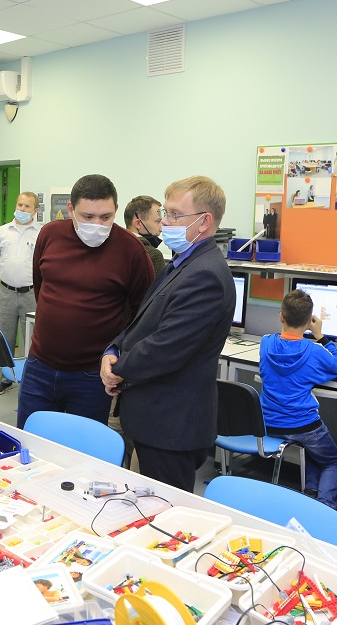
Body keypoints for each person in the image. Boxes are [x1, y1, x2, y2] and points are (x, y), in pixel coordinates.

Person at [101, 176, 234, 492]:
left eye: (175, 215)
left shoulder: (206, 275)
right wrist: (113, 349)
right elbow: (143, 322)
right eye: (165, 213)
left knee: (164, 512)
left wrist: (117, 368)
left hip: (172, 425)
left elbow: (165, 347)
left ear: (204, 221)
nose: (164, 222)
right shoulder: (183, 263)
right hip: (154, 419)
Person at [17, 174, 154, 429]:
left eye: (105, 217)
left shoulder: (131, 250)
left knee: (82, 450)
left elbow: (145, 314)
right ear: (71, 209)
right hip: (40, 367)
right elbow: (40, 286)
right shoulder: (50, 235)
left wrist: (118, 355)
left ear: (116, 209)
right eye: (88, 217)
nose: (97, 225)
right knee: (31, 441)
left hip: (92, 375)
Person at [258, 290, 337, 509]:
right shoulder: (314, 351)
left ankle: (310, 493)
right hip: (303, 427)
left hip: (268, 423)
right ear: (309, 322)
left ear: (281, 316)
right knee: (334, 462)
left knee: (314, 451)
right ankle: (325, 508)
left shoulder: (265, 343)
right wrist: (321, 336)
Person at [0, 191, 41, 394]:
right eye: (20, 205)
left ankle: (31, 380)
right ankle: (4, 378)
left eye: (27, 206)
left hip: (32, 294)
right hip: (5, 292)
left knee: (33, 340)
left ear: (35, 210)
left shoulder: (41, 233)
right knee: (3, 338)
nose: (22, 209)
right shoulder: (2, 232)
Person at [122, 195, 166, 279]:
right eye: (157, 222)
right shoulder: (153, 255)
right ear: (138, 224)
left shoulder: (112, 248)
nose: (161, 228)